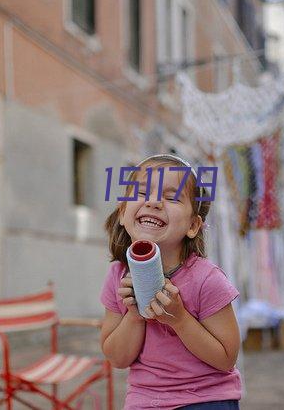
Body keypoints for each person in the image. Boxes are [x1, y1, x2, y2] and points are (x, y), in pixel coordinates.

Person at [100, 153, 242, 410]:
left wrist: (180, 319)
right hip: (144, 401)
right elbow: (117, 358)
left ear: (193, 225)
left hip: (206, 399)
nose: (153, 202)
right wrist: (134, 315)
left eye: (171, 197)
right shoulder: (117, 276)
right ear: (123, 212)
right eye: (141, 192)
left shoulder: (206, 280)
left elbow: (226, 359)